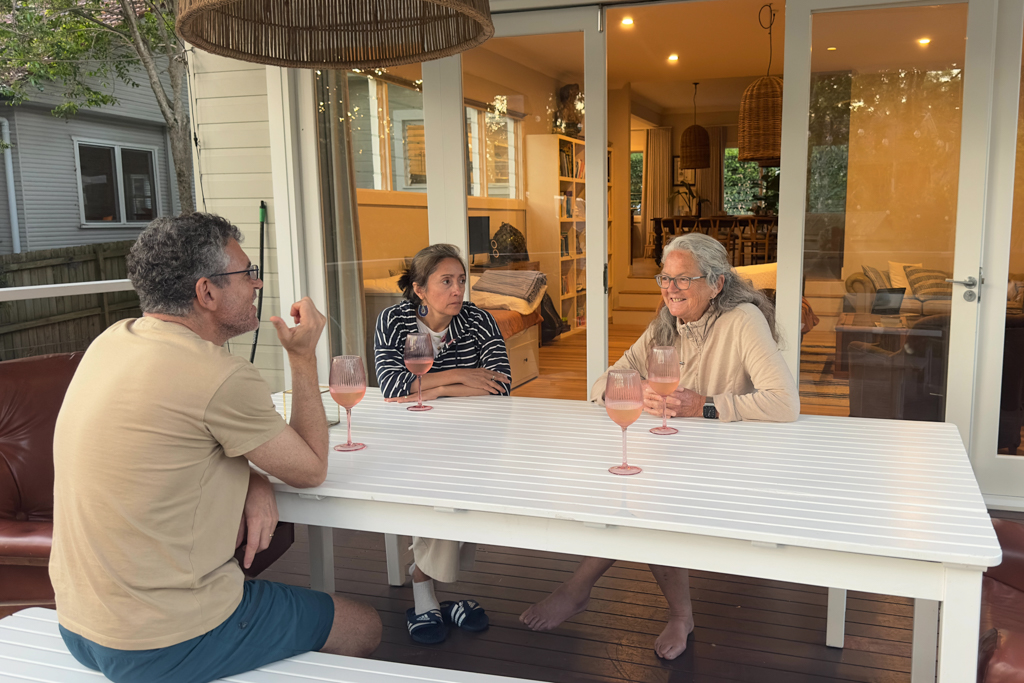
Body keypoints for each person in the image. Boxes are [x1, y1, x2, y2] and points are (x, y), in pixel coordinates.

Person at [49, 213, 381, 683]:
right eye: (246, 273)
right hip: (162, 642)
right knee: (364, 626)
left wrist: (253, 475)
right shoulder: (219, 376)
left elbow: (170, 444)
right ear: (206, 293)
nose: (258, 282)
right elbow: (309, 469)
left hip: (79, 624)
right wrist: (303, 357)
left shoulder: (109, 342)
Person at [520, 232, 799, 660]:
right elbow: (601, 384)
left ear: (716, 283)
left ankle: (588, 592)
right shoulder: (666, 324)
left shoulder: (743, 320)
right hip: (678, 453)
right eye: (664, 279)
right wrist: (638, 388)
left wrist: (704, 405)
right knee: (635, 486)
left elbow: (784, 403)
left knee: (649, 499)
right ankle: (658, 610)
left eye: (682, 279)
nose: (670, 289)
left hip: (735, 462)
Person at [374, 243, 511, 644]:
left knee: (456, 484)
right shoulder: (394, 320)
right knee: (440, 484)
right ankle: (423, 587)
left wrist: (431, 388)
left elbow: (501, 386)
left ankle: (423, 586)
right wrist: (464, 377)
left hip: (473, 434)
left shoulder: (479, 320)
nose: (458, 290)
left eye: (462, 281)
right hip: (409, 435)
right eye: (446, 281)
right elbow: (393, 387)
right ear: (419, 289)